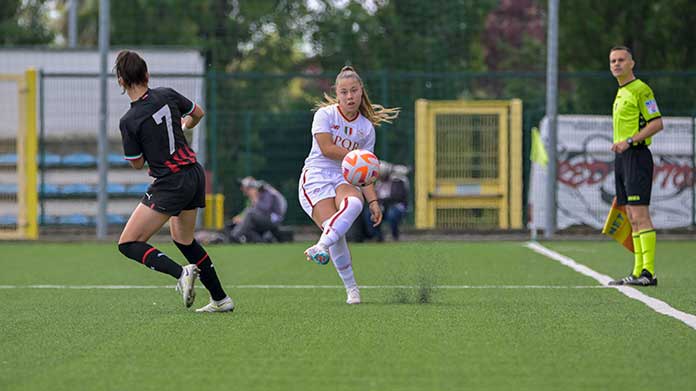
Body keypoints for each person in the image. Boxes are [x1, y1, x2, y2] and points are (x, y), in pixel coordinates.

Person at [114, 50, 234, 312]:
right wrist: (183, 126)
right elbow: (198, 113)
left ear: (120, 81)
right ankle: (220, 299)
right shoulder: (166, 94)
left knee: (128, 243)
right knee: (184, 239)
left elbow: (136, 164)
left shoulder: (129, 121)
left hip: (171, 182)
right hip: (193, 173)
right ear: (147, 74)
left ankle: (181, 274)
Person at [298, 65, 400, 304]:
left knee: (354, 204)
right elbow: (326, 148)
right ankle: (352, 289)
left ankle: (321, 246)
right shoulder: (325, 115)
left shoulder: (365, 128)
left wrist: (373, 201)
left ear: (361, 91)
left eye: (354, 90)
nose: (350, 96)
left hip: (344, 178)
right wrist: (356, 157)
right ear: (337, 93)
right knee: (338, 234)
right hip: (317, 177)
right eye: (344, 92)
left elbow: (364, 172)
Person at [606, 46, 663, 287]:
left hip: (637, 156)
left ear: (632, 63)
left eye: (621, 60)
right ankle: (638, 270)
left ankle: (648, 272)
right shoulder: (621, 92)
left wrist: (629, 141)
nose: (616, 64)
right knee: (630, 215)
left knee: (640, 214)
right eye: (612, 61)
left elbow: (657, 123)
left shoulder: (641, 89)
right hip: (623, 159)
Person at [229, 176, 287, 243]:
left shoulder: (267, 192)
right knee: (248, 225)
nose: (246, 191)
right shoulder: (259, 195)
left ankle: (235, 236)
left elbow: (265, 209)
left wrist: (255, 199)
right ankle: (261, 242)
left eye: (248, 188)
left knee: (250, 215)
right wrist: (241, 218)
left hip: (273, 220)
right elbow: (252, 210)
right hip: (266, 219)